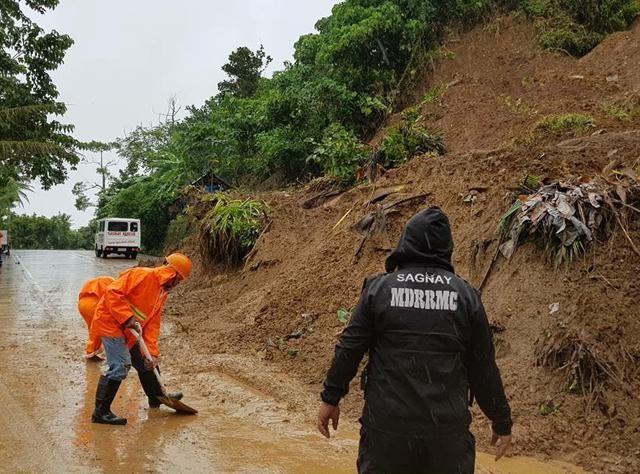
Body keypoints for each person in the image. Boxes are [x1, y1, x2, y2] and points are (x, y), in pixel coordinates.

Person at [317, 207, 512, 474]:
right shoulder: (466, 297)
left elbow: (350, 348)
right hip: (446, 437)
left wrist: (331, 398)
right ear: (447, 247)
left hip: (388, 432)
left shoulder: (379, 290)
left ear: (407, 241)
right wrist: (501, 421)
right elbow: (484, 368)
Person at [89, 253, 192, 425]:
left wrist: (152, 353)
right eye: (179, 280)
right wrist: (128, 317)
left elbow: (152, 323)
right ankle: (100, 413)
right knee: (120, 365)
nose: (178, 285)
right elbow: (112, 292)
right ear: (172, 274)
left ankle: (157, 397)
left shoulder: (161, 292)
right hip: (111, 324)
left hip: (130, 330)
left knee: (146, 361)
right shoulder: (142, 275)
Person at [78, 275, 114, 359]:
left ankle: (92, 350)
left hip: (82, 305)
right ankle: (92, 352)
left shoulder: (94, 281)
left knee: (92, 327)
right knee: (99, 329)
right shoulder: (112, 282)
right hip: (94, 305)